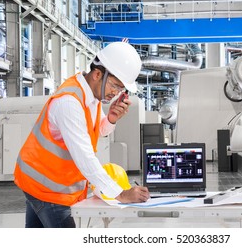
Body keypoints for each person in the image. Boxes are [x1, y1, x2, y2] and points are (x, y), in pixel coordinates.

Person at [14, 42, 150, 228]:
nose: (116, 93)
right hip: (50, 190)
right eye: (115, 86)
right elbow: (85, 157)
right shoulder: (70, 103)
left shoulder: (90, 96)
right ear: (97, 75)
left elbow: (97, 131)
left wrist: (111, 118)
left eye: (120, 90)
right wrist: (121, 193)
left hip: (40, 183)